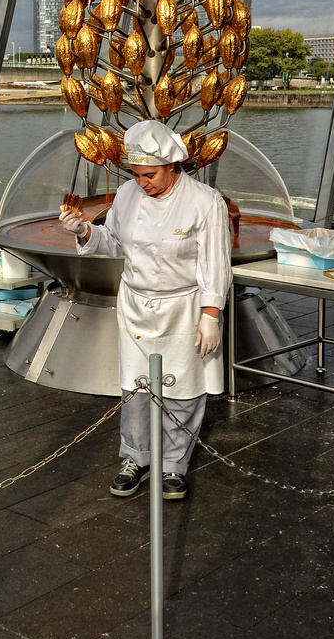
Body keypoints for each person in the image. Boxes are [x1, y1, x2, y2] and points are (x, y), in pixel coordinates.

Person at [59, 119, 232, 500]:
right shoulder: (126, 195)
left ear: (173, 165)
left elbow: (216, 266)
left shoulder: (205, 202)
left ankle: (173, 465)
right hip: (136, 304)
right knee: (135, 388)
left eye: (150, 175)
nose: (143, 183)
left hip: (184, 306)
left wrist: (210, 316)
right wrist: (85, 232)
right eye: (136, 175)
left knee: (185, 390)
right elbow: (114, 243)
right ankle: (135, 458)